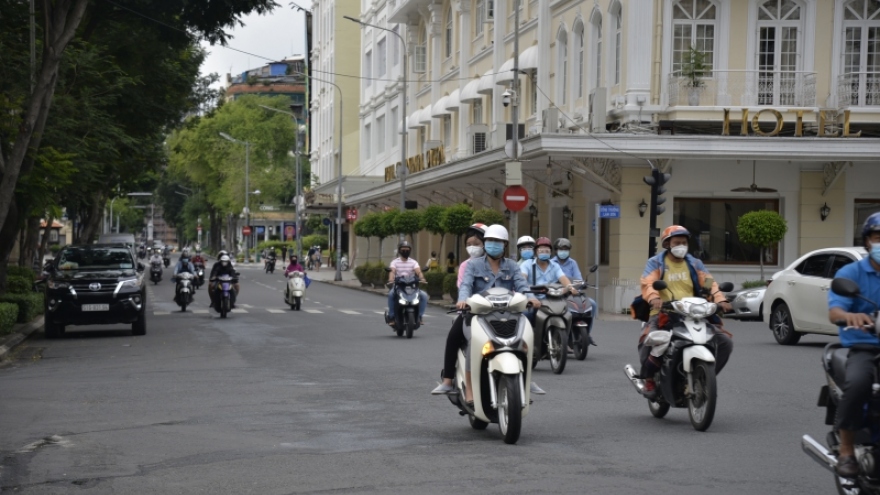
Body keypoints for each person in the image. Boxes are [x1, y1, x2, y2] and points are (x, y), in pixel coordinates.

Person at [432, 225, 542, 400]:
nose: (493, 244)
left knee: (525, 338)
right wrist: (462, 300)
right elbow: (466, 285)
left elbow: (522, 286)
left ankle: (526, 382)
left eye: (497, 242)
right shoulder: (473, 265)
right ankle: (452, 382)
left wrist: (530, 298)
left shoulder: (512, 266)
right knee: (460, 338)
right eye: (490, 241)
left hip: (507, 314)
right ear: (485, 243)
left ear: (505, 244)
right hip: (476, 315)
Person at [637, 225, 733, 399]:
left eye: (684, 242)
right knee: (650, 341)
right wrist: (654, 298)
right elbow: (648, 283)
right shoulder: (656, 262)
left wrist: (720, 300)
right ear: (667, 244)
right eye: (676, 242)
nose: (681, 245)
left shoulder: (695, 263)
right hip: (665, 313)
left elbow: (709, 283)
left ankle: (703, 377)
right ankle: (649, 378)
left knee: (724, 342)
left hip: (694, 313)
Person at [827, 212, 880, 478]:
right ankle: (846, 449)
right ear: (868, 241)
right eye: (878, 237)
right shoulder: (852, 273)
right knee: (858, 383)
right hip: (866, 346)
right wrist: (851, 316)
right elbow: (835, 312)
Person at [520, 237, 579, 328]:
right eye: (541, 250)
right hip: (534, 301)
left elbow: (563, 278)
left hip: (553, 301)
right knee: (525, 315)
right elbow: (522, 281)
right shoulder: (527, 264)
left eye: (547, 250)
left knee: (570, 314)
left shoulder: (555, 266)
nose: (544, 252)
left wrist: (570, 287)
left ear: (551, 252)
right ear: (536, 252)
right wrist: (531, 298)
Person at [552, 237, 599, 323]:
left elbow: (578, 279)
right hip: (557, 294)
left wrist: (581, 285)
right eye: (561, 249)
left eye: (566, 249)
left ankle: (587, 331)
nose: (563, 251)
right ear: (556, 250)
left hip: (572, 293)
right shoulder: (551, 263)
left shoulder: (573, 263)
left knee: (592, 304)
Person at [386, 241, 428, 326]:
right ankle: (392, 317)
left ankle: (419, 317)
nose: (405, 251)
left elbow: (419, 272)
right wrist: (391, 279)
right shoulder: (395, 262)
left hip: (412, 287)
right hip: (398, 286)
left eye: (407, 249)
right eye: (403, 249)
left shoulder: (413, 262)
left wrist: (422, 278)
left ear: (410, 250)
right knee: (391, 294)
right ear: (399, 250)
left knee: (424, 295)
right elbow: (392, 271)